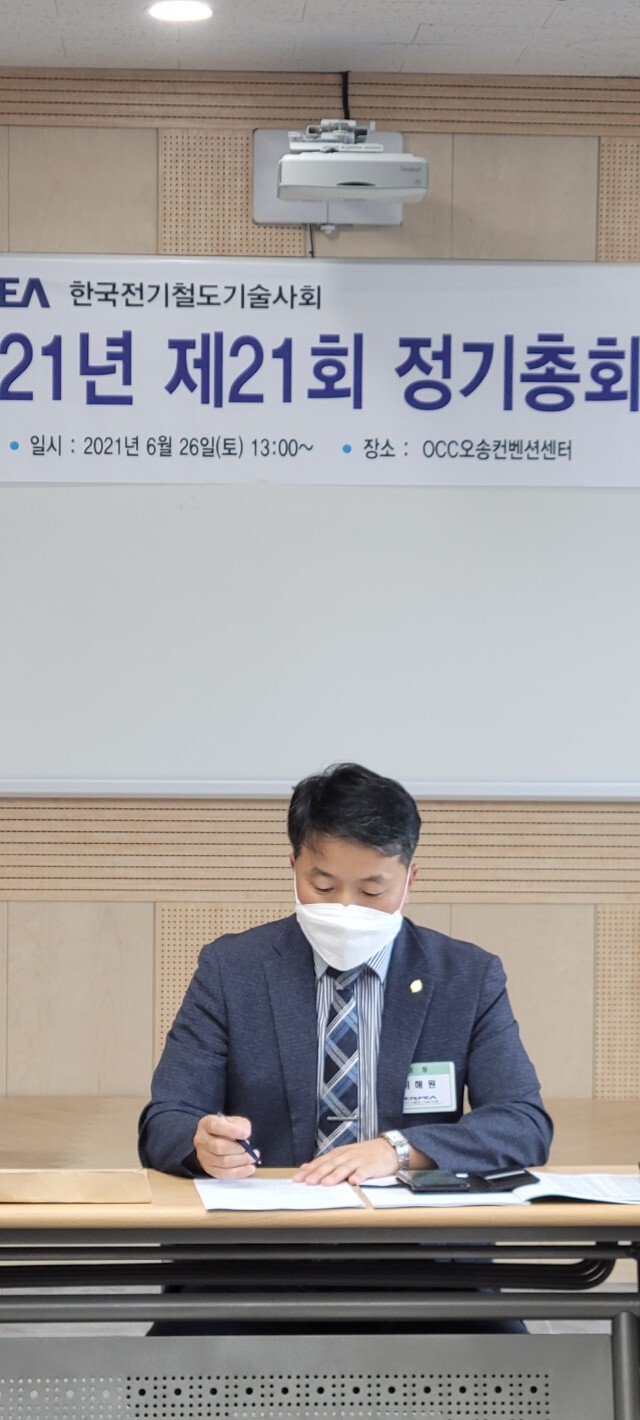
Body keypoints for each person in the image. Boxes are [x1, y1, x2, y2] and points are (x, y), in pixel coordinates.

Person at [138, 763, 552, 1183]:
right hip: (271, 1217)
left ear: (410, 880)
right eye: (323, 888)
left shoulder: (466, 977)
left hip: (411, 1221)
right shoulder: (232, 969)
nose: (345, 907)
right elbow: (166, 1119)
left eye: (372, 890)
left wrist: (400, 1151)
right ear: (294, 867)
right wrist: (203, 1146)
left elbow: (522, 1124)